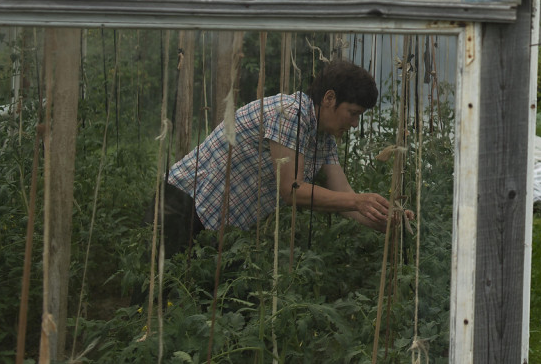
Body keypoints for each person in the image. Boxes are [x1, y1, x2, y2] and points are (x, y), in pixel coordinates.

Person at [160, 59, 400, 256]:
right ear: (329, 99)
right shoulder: (289, 114)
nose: (355, 123)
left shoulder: (322, 138)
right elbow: (292, 190)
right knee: (156, 299)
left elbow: (346, 197)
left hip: (213, 221)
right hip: (182, 205)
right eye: (353, 113)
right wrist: (359, 202)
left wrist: (382, 217)